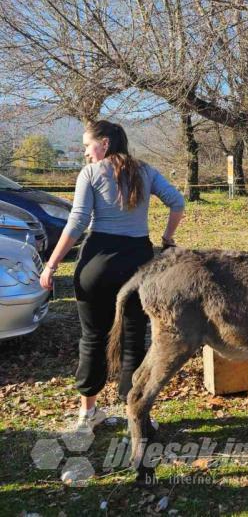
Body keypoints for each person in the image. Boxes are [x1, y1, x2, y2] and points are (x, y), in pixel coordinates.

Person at [40, 120, 185, 431]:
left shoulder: (91, 174)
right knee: (135, 340)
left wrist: (51, 264)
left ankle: (87, 415)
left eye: (87, 145)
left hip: (97, 263)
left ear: (104, 144)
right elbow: (178, 202)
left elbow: (78, 221)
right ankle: (137, 414)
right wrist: (168, 238)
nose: (84, 153)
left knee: (92, 338)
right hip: (139, 264)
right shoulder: (146, 171)